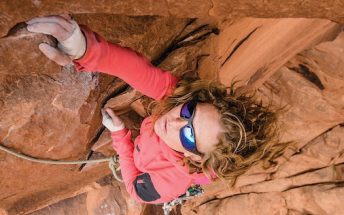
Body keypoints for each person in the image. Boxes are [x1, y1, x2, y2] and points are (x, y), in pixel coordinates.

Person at [26, 15, 286, 204]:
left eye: (189, 136)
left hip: (150, 161)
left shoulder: (165, 184)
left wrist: (120, 138)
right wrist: (85, 49)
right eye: (189, 112)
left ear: (195, 158)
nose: (173, 122)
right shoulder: (183, 100)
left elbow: (135, 190)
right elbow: (140, 73)